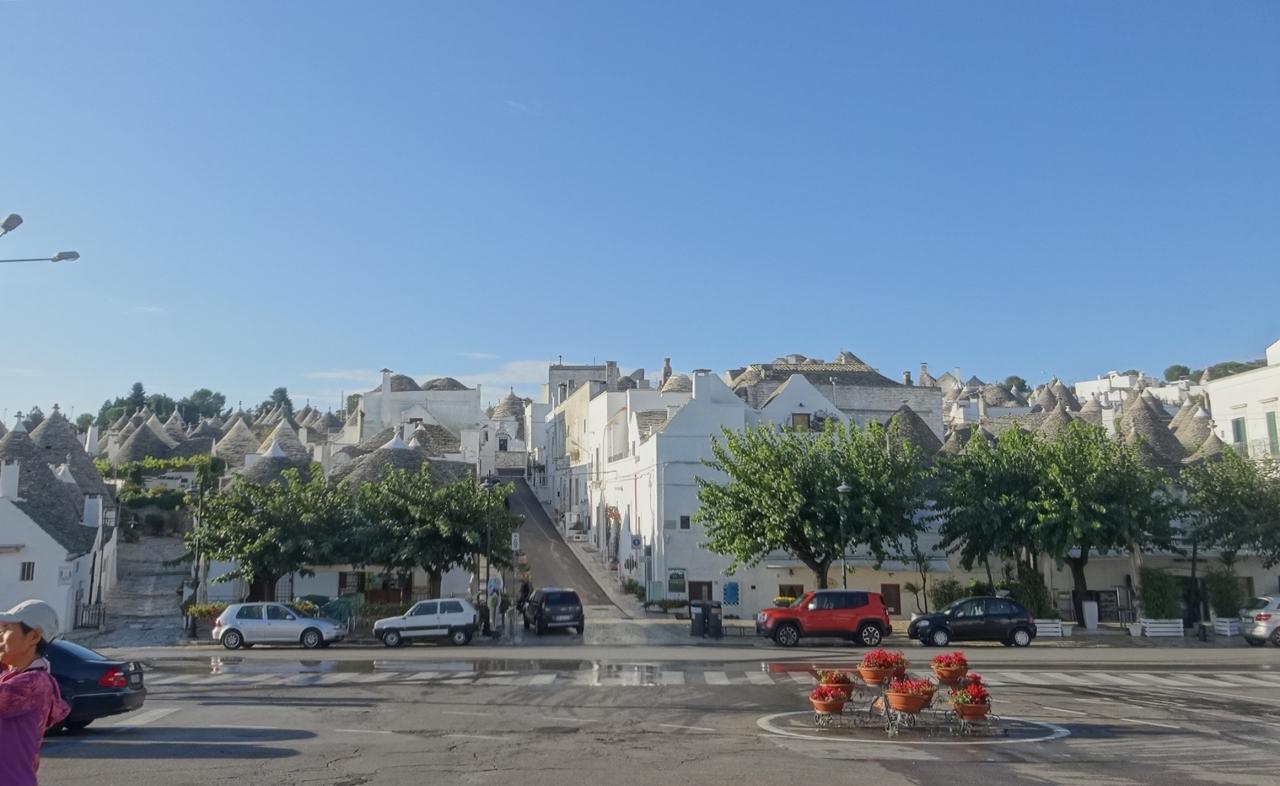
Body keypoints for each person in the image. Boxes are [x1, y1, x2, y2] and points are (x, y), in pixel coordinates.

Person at [1, 600, 71, 786]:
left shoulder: (35, 683)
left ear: (33, 636)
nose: (0, 636)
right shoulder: (9, 677)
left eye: (6, 629)